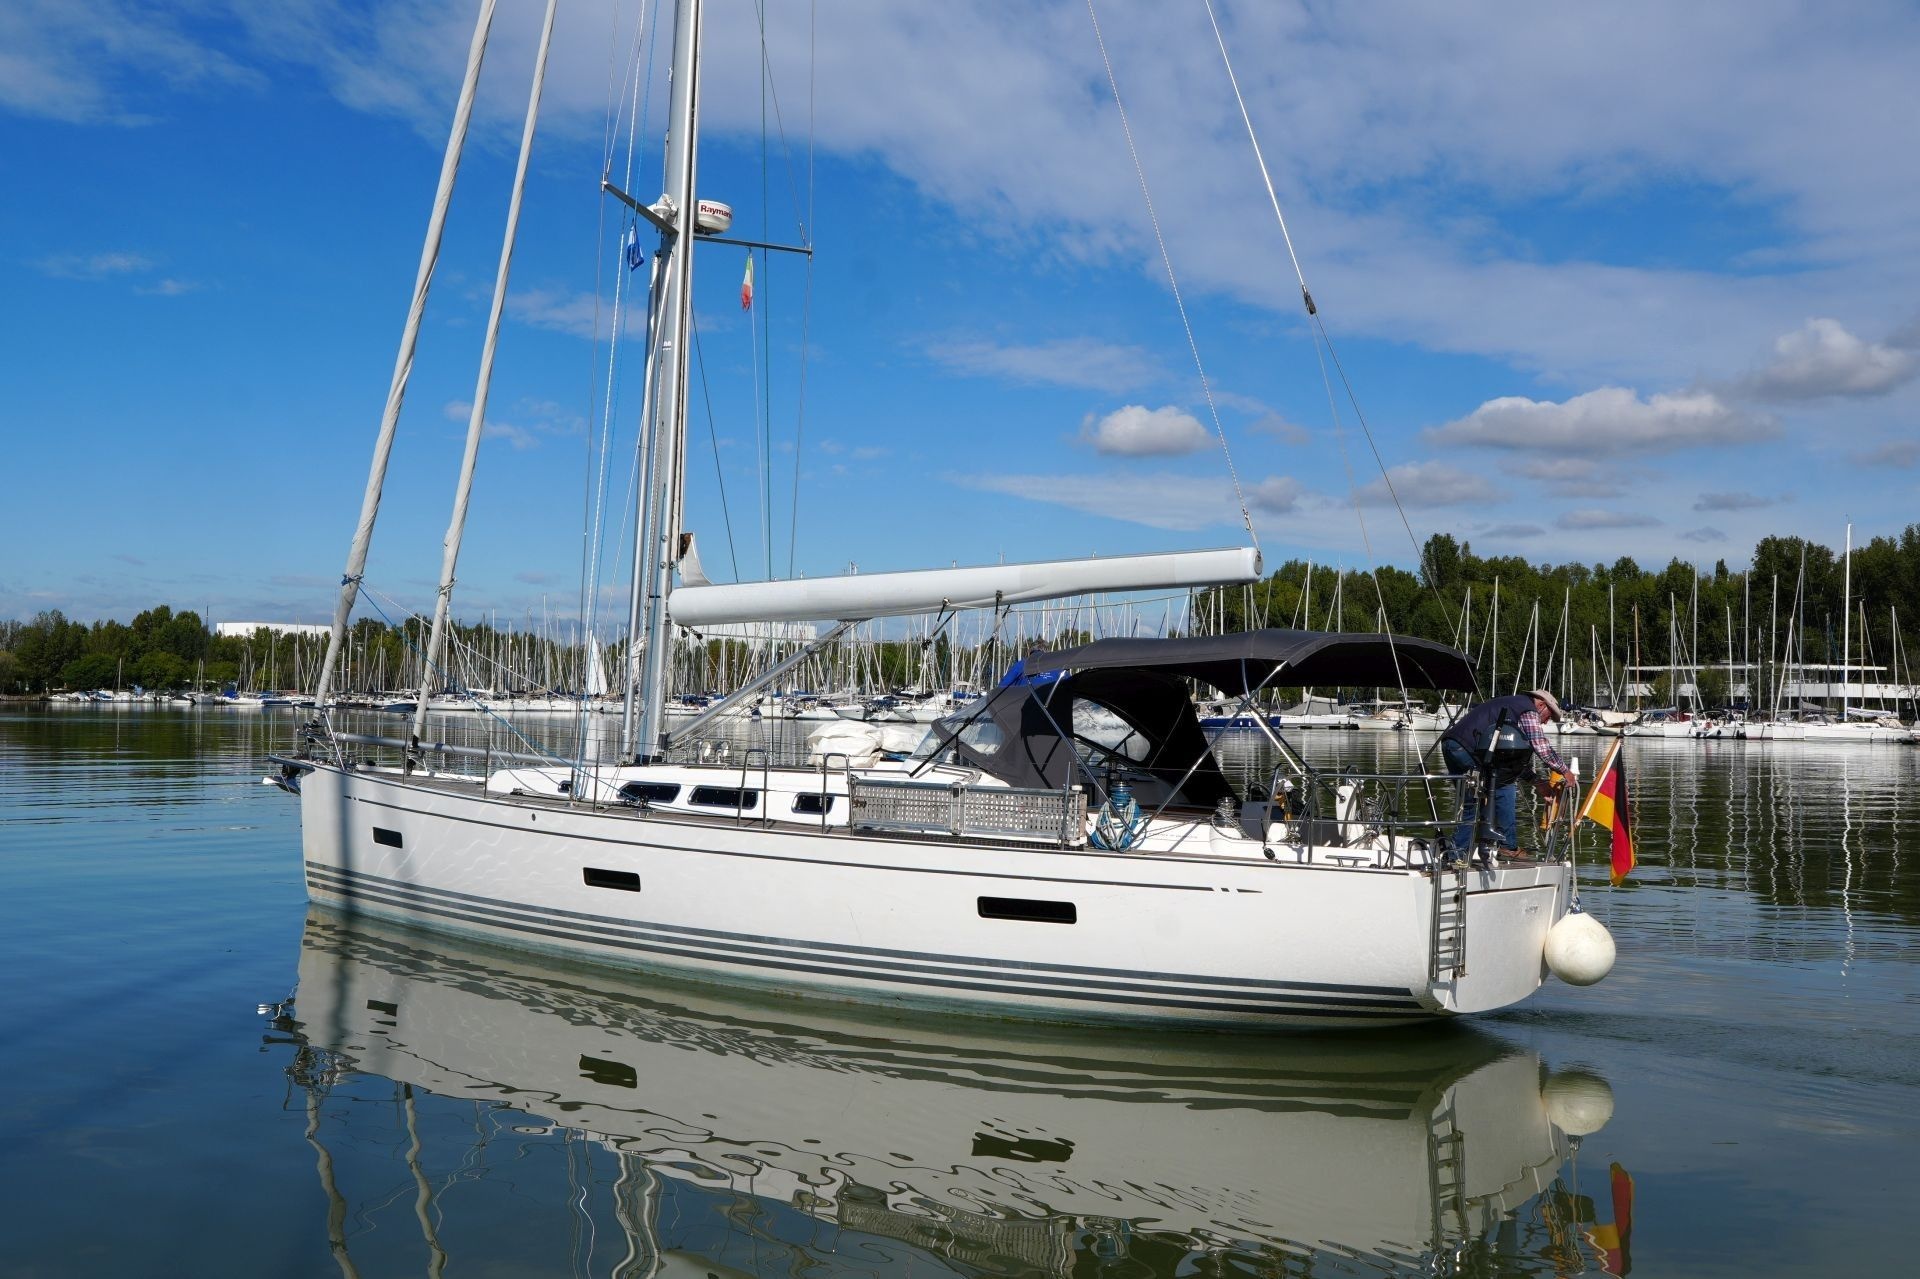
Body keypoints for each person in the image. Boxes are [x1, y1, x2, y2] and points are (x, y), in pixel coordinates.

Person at [1439, 689, 1569, 859]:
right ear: (1541, 705)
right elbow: (1540, 745)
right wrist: (1565, 771)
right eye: (1548, 716)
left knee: (1471, 803)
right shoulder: (1528, 709)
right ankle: (1507, 845)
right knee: (1503, 786)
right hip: (1468, 750)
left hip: (1452, 745)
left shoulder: (1511, 706)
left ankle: (1459, 854)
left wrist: (1537, 782)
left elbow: (1507, 762)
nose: (1545, 722)